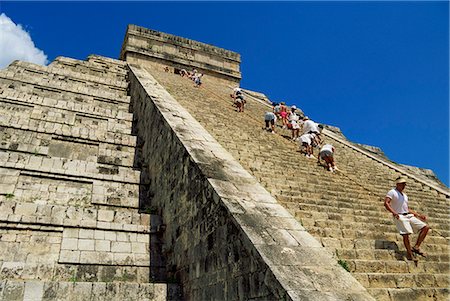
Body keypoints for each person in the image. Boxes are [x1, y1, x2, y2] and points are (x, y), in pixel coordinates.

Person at [384, 176, 430, 261]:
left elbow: (406, 208)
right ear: (397, 184)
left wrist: (419, 215)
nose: (404, 186)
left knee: (425, 227)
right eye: (402, 184)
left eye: (404, 184)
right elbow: (386, 203)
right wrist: (394, 212)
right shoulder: (392, 192)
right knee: (406, 235)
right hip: (400, 216)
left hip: (408, 215)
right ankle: (409, 254)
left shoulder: (405, 195)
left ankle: (416, 247)